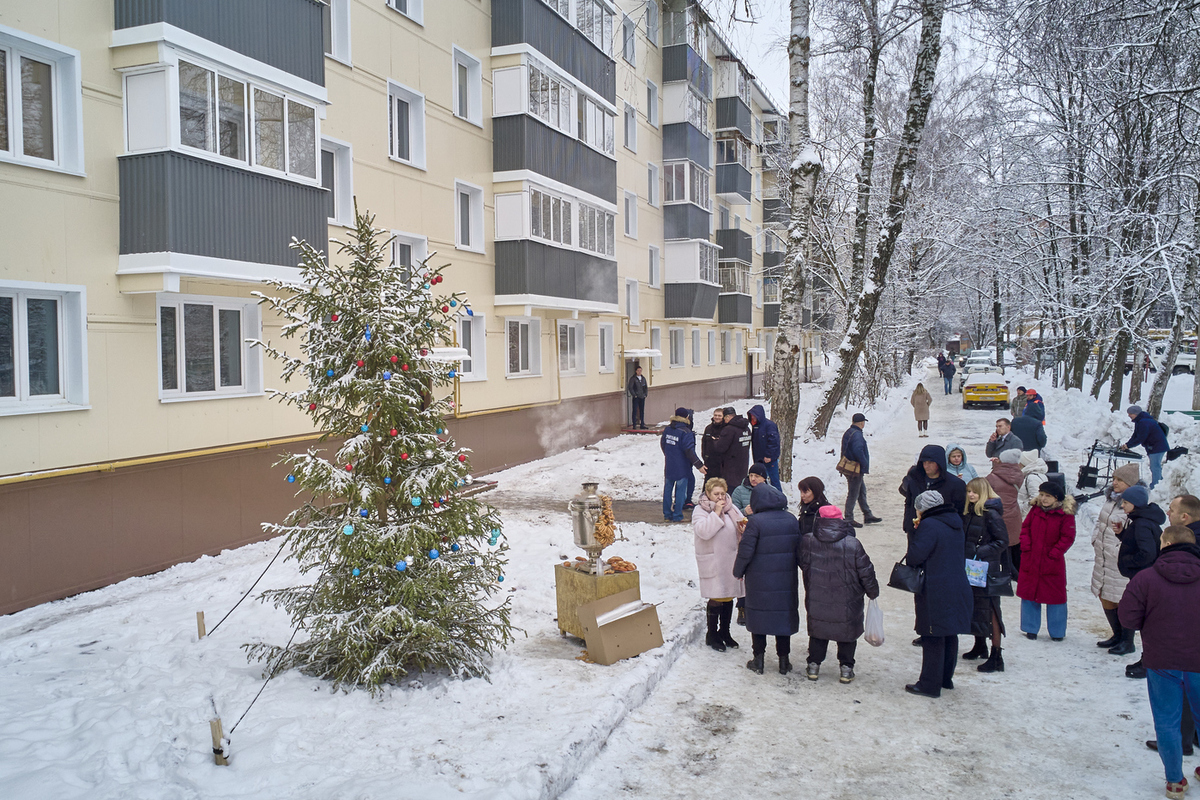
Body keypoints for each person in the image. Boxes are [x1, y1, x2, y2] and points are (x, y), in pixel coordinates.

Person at [1118, 525, 1200, 800]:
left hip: (1162, 659)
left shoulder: (1146, 579)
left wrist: (1150, 626)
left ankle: (1175, 782)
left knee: (1167, 720)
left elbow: (1128, 618)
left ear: (1165, 544)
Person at [799, 505, 880, 684]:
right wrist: (872, 591)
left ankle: (813, 666)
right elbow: (866, 570)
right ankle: (846, 668)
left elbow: (803, 562)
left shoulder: (808, 540)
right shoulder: (852, 543)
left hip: (818, 596)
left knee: (819, 630)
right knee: (847, 632)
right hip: (848, 598)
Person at [904, 490, 973, 698]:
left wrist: (916, 532)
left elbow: (915, 557)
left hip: (936, 587)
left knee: (932, 634)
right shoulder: (954, 522)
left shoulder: (929, 525)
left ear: (924, 508)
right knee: (949, 632)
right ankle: (945, 679)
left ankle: (929, 684)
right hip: (956, 583)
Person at [733, 483, 801, 675]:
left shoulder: (755, 522)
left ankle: (758, 660)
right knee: (783, 619)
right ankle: (783, 661)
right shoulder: (790, 519)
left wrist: (738, 571)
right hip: (785, 580)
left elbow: (746, 551)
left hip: (758, 580)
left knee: (759, 619)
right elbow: (800, 549)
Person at [1113, 484, 1166, 677]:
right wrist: (1122, 535)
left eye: (1125, 502)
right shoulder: (1143, 520)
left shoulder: (1142, 523)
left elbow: (1147, 552)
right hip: (1145, 577)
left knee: (1145, 620)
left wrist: (1128, 561)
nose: (1123, 505)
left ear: (1135, 504)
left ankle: (1147, 660)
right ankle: (1144, 657)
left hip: (1143, 578)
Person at [960, 478, 1011, 673]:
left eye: (975, 492)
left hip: (986, 569)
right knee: (975, 606)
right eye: (969, 492)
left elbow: (1002, 541)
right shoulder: (970, 512)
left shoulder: (991, 515)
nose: (971, 495)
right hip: (972, 568)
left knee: (991, 610)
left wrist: (980, 551)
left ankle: (996, 654)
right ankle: (979, 643)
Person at [1017, 482, 1077, 641]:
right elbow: (1025, 528)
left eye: (1048, 496)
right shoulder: (1035, 510)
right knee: (1029, 594)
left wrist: (1054, 553)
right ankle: (1030, 628)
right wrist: (1026, 545)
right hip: (1031, 558)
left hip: (1052, 561)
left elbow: (1068, 537)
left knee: (1055, 597)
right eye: (1042, 494)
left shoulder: (1065, 514)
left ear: (1056, 498)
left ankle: (1057, 632)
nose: (1043, 498)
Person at [691, 477, 745, 653]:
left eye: (722, 493)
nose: (720, 497)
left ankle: (725, 632)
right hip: (713, 560)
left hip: (731, 561)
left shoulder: (732, 508)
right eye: (716, 494)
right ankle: (712, 634)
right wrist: (716, 513)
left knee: (728, 596)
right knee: (716, 597)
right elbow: (704, 532)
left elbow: (741, 523)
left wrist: (743, 529)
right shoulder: (701, 510)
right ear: (708, 494)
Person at [1091, 464, 1141, 650]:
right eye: (1114, 479)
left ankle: (1127, 641)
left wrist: (1118, 550)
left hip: (1120, 559)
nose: (1115, 483)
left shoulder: (1133, 504)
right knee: (1105, 596)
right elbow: (1101, 522)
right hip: (1103, 557)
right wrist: (1096, 539)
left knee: (1123, 599)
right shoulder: (1111, 500)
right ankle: (1117, 635)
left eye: (1120, 480)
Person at [899, 444, 968, 539]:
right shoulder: (915, 481)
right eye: (924, 462)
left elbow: (960, 511)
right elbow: (909, 503)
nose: (927, 466)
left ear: (939, 463)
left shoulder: (955, 484)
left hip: (942, 535)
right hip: (916, 531)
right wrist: (908, 525)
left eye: (931, 462)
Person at [660, 408, 705, 522]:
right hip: (682, 466)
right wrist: (699, 465)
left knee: (667, 490)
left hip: (669, 465)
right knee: (680, 491)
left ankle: (667, 514)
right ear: (687, 417)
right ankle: (677, 515)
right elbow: (689, 450)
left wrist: (669, 455)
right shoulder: (686, 432)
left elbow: (663, 444)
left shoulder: (668, 429)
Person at [987, 448, 1025, 575]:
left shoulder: (992, 477)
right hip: (1014, 514)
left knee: (999, 546)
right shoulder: (1019, 474)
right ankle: (1015, 572)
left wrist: (996, 466)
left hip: (998, 515)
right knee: (1012, 544)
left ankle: (1002, 573)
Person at [841, 413, 881, 528]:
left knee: (861, 491)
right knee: (853, 493)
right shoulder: (857, 435)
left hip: (849, 467)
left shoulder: (849, 432)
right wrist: (864, 464)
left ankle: (867, 514)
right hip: (855, 469)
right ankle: (849, 518)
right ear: (861, 423)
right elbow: (858, 450)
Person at [1122, 404, 1169, 489]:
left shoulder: (1144, 422)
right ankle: (1160, 484)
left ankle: (1155, 486)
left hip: (1157, 446)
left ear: (1136, 413)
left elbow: (1141, 438)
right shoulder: (1140, 421)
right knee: (1155, 466)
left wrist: (1129, 446)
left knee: (1155, 466)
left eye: (1130, 414)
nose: (1129, 416)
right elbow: (1135, 435)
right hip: (1153, 446)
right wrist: (1127, 445)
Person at [713, 407, 752, 490]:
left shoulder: (729, 429)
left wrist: (716, 441)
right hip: (743, 464)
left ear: (727, 417)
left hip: (730, 467)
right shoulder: (746, 428)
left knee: (731, 490)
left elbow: (720, 447)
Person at [748, 404, 782, 491]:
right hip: (759, 458)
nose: (753, 417)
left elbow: (774, 442)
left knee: (774, 480)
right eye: (751, 416)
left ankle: (779, 499)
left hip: (769, 459)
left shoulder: (769, 425)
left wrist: (769, 455)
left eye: (754, 416)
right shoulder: (755, 426)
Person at [700, 408, 725, 479]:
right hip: (710, 463)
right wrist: (705, 457)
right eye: (715, 415)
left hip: (721, 464)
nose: (717, 417)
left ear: (723, 417)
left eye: (719, 415)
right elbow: (703, 444)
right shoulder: (708, 428)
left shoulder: (726, 429)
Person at [626, 365, 648, 429]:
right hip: (636, 397)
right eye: (638, 370)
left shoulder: (643, 378)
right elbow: (630, 387)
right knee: (635, 410)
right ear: (636, 371)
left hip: (642, 397)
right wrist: (634, 395)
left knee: (642, 410)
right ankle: (634, 424)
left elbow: (645, 387)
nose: (639, 372)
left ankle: (642, 424)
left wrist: (645, 394)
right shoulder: (633, 379)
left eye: (640, 370)